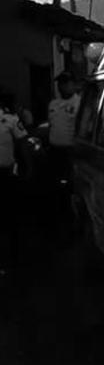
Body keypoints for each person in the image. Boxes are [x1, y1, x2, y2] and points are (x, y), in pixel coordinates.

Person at [0, 94, 28, 276]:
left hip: (6, 175)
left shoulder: (9, 120)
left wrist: (26, 168)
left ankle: (14, 259)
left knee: (10, 217)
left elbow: (22, 145)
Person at [47, 71, 80, 185]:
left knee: (70, 183)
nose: (62, 86)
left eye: (66, 83)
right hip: (54, 150)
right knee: (55, 182)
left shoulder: (79, 103)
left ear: (74, 85)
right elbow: (51, 124)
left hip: (70, 150)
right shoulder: (53, 104)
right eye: (60, 83)